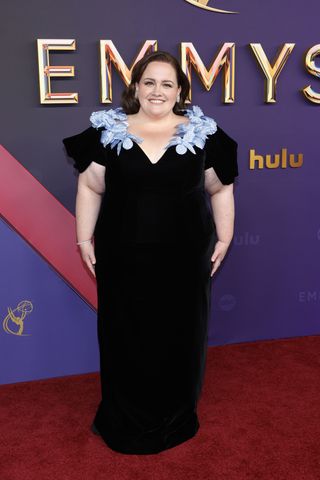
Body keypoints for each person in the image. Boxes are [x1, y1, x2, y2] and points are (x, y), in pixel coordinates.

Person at [62, 50, 238, 455]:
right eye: (149, 82)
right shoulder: (107, 131)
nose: (157, 91)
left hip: (185, 255)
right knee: (126, 333)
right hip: (122, 255)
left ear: (180, 91)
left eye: (167, 83)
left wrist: (225, 238)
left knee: (180, 333)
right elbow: (90, 187)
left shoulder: (204, 133)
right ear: (135, 87)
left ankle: (174, 414)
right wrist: (83, 238)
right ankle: (124, 415)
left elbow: (220, 187)